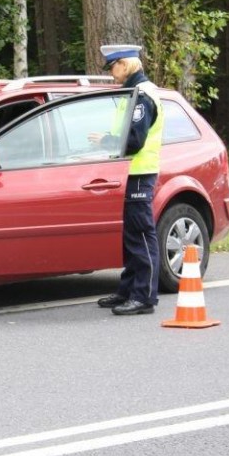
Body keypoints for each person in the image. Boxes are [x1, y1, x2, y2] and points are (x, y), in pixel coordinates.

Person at [89, 44, 164, 315]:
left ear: (125, 64)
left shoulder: (142, 96)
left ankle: (143, 297)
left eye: (113, 67)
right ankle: (128, 290)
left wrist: (105, 142)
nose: (111, 73)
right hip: (128, 173)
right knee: (131, 236)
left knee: (142, 235)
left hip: (140, 173)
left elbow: (135, 140)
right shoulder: (132, 93)